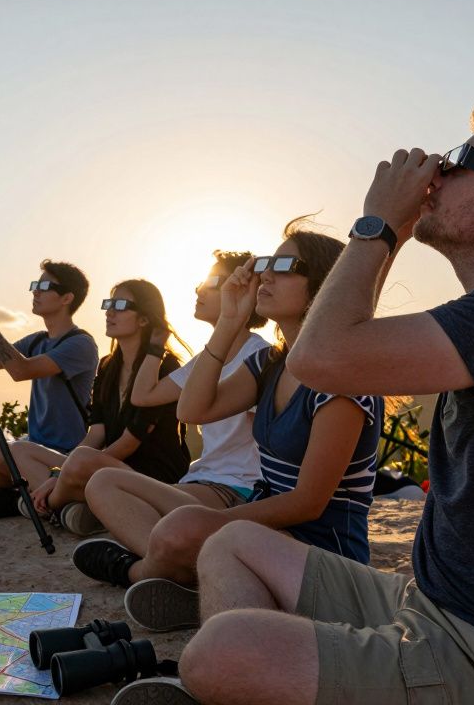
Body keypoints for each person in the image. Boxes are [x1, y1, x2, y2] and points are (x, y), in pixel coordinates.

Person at [173, 95, 474, 705]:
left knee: (223, 651)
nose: (435, 174)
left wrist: (379, 224)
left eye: (458, 163)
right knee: (229, 544)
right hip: (435, 607)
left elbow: (321, 361)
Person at [74, 221, 382, 638]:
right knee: (106, 479)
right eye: (267, 263)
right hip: (262, 530)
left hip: (321, 553)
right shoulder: (271, 364)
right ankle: (186, 576)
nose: (266, 274)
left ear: (324, 284)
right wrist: (229, 322)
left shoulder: (341, 381)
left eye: (286, 264)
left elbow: (308, 503)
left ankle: (137, 570)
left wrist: (217, 526)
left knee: (183, 529)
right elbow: (193, 409)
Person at [71, 250, 269, 548]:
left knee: (105, 483)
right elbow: (144, 396)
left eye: (213, 281)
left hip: (236, 488)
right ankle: (160, 554)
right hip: (199, 480)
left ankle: (158, 560)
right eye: (200, 283)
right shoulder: (207, 358)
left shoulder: (257, 356)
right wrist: (155, 347)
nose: (200, 289)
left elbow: (267, 442)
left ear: (244, 290)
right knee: (103, 486)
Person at [24, 279, 192, 533]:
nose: (110, 311)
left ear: (144, 319)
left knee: (78, 461)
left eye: (121, 305)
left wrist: (60, 477)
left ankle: (51, 504)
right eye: (109, 304)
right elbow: (97, 433)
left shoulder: (164, 366)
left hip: (153, 474)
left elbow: (130, 442)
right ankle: (78, 506)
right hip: (108, 466)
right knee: (22, 449)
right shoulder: (107, 366)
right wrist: (63, 470)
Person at [0, 260, 99, 515]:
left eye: (44, 285)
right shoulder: (38, 340)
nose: (35, 291)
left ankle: (14, 497)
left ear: (67, 298)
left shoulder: (80, 344)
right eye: (35, 285)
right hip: (28, 445)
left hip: (58, 454)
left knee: (1, 453)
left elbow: (20, 370)